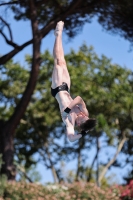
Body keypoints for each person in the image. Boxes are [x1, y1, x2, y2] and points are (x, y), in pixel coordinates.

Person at [51, 21, 96, 142]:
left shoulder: (69, 121)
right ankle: (59, 35)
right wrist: (67, 110)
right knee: (63, 61)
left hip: (57, 89)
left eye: (83, 120)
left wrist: (83, 134)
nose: (83, 116)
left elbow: (71, 138)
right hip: (67, 88)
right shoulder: (84, 112)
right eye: (86, 117)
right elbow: (78, 99)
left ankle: (58, 35)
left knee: (58, 62)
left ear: (79, 125)